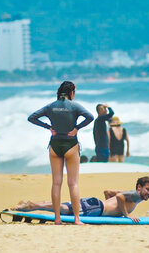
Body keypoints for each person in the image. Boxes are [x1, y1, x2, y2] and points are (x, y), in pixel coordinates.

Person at [28, 81, 94, 225]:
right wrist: (77, 128)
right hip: (71, 145)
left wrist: (48, 127)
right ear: (72, 92)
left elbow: (32, 117)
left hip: (55, 145)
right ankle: (77, 219)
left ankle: (57, 219)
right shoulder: (74, 106)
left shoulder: (51, 106)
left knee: (56, 183)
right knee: (73, 183)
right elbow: (90, 117)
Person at [13, 176, 149, 223]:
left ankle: (32, 204)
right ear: (139, 187)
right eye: (147, 189)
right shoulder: (135, 195)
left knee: (64, 207)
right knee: (64, 209)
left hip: (96, 205)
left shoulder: (131, 194)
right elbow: (119, 197)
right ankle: (32, 205)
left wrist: (109, 202)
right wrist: (127, 215)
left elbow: (109, 192)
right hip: (96, 209)